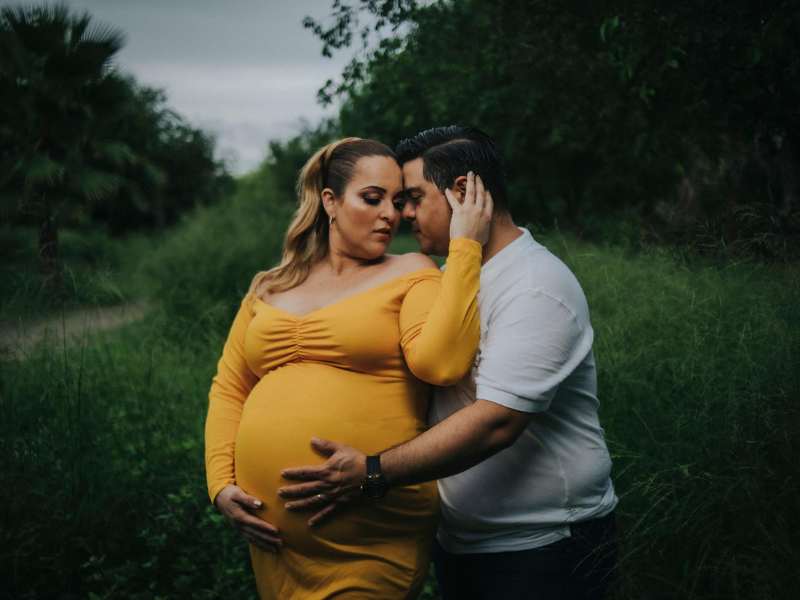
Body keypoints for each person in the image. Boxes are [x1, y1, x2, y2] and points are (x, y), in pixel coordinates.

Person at [279, 126, 619, 600]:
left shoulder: (535, 285)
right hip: (461, 543)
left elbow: (496, 422)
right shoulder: (450, 278)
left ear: (462, 193)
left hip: (541, 548)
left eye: (414, 198)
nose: (403, 215)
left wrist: (373, 471)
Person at [204, 136, 494, 599]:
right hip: (275, 545)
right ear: (330, 202)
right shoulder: (270, 285)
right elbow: (230, 387)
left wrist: (464, 249)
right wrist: (219, 484)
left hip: (370, 533)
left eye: (398, 202)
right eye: (373, 198)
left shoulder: (411, 270)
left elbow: (443, 363)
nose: (391, 215)